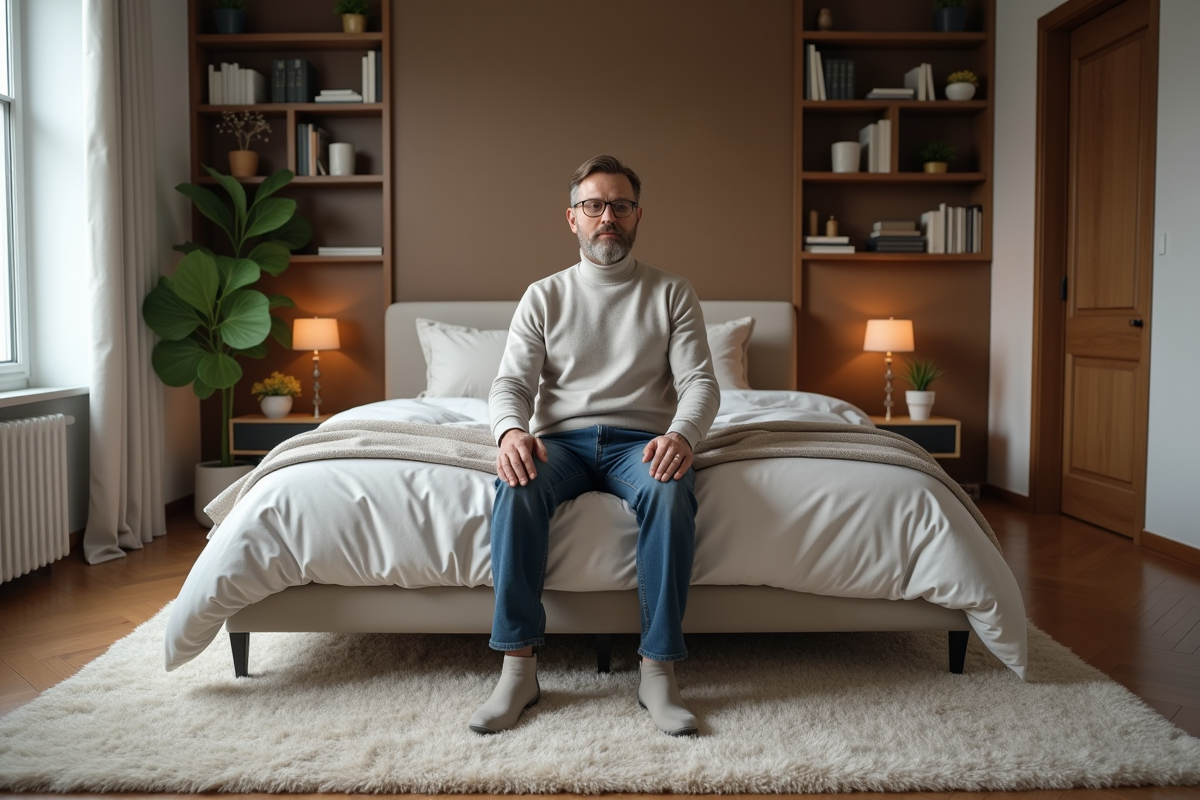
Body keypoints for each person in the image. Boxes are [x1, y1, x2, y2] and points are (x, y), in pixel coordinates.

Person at [469, 154, 720, 737]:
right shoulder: (543, 296)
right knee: (517, 481)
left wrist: (683, 435)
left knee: (669, 486)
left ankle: (658, 672)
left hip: (643, 443)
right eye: (594, 205)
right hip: (563, 444)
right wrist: (510, 432)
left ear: (637, 217)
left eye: (621, 205)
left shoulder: (672, 293)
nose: (608, 215)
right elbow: (511, 383)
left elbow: (700, 383)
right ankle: (518, 669)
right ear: (572, 217)